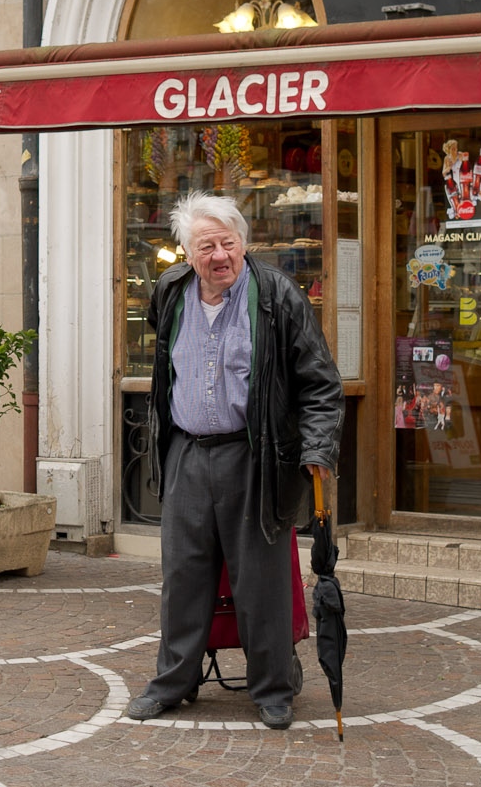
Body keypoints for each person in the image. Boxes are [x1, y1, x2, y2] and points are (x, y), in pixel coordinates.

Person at [124, 191, 343, 731]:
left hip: (256, 455)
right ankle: (174, 681)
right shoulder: (171, 292)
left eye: (228, 242)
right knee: (183, 576)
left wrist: (316, 449)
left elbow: (319, 383)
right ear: (185, 252)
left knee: (261, 579)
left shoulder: (277, 295)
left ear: (244, 242)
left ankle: (272, 688)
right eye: (206, 246)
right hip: (186, 453)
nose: (219, 255)